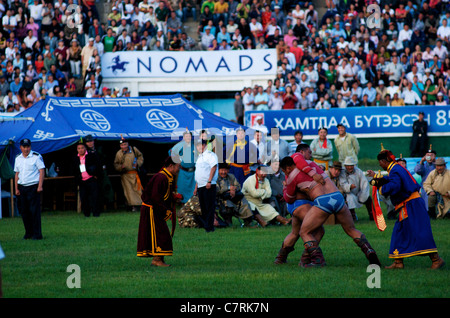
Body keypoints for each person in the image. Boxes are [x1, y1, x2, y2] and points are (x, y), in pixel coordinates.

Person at [280, 145, 381, 268]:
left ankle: (318, 260)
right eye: (309, 152)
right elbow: (302, 162)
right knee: (351, 229)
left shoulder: (292, 175)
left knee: (304, 231)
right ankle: (370, 252)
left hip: (322, 201)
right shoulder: (312, 164)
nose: (311, 154)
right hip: (338, 197)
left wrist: (285, 186)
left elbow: (288, 199)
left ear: (288, 167)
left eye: (284, 171)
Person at [367, 149, 445, 270]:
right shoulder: (396, 168)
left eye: (380, 162)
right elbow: (391, 179)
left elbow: (395, 185)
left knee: (420, 232)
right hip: (409, 205)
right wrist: (378, 178)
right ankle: (398, 262)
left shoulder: (395, 170)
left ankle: (436, 260)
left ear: (384, 161)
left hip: (412, 205)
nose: (379, 165)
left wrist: (381, 189)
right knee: (399, 232)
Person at [137, 156, 181, 267]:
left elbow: (162, 195)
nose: (179, 169)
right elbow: (156, 197)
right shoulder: (161, 177)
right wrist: (165, 211)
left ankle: (157, 259)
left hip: (155, 209)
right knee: (160, 234)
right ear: (171, 166)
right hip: (152, 209)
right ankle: (157, 260)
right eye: (178, 166)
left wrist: (173, 197)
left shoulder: (167, 177)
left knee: (161, 234)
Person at [14, 138, 45, 240]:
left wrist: (40, 186)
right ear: (20, 147)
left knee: (34, 211)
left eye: (27, 147)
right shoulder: (18, 158)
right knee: (24, 211)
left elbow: (41, 171)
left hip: (33, 186)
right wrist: (16, 188)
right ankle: (28, 233)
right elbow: (16, 174)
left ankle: (37, 234)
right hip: (22, 187)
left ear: (30, 147)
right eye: (24, 147)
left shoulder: (36, 156)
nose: (26, 149)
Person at [194, 139, 219, 232]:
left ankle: (209, 227)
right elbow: (199, 173)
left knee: (209, 207)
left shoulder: (210, 155)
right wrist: (196, 187)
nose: (199, 147)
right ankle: (206, 226)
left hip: (208, 184)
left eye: (201, 145)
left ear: (205, 145)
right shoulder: (199, 157)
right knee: (203, 207)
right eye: (198, 146)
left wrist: (209, 181)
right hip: (200, 185)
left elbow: (214, 167)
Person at [72, 140, 102, 217]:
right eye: (79, 148)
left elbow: (98, 166)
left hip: (91, 179)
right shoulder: (76, 158)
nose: (81, 150)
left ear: (85, 148)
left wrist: (96, 175)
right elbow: (74, 170)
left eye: (82, 148)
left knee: (94, 197)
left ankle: (96, 213)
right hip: (82, 180)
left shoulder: (91, 155)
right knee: (84, 198)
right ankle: (86, 213)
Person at [113, 137, 144, 211]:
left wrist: (138, 163)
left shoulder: (134, 149)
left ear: (128, 144)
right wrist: (120, 167)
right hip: (125, 175)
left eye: (125, 144)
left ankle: (140, 205)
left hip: (135, 174)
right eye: (122, 145)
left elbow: (140, 157)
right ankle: (133, 206)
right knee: (129, 191)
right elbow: (116, 164)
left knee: (138, 190)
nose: (124, 146)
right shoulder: (119, 153)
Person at [84, 135, 114, 210]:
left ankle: (107, 205)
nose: (90, 143)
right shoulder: (85, 152)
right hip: (91, 174)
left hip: (101, 174)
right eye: (88, 142)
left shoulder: (99, 150)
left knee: (105, 189)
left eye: (91, 141)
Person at [170, 130, 196, 204]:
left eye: (189, 136)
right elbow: (171, 152)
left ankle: (191, 202)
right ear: (184, 137)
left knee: (193, 189)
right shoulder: (179, 145)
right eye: (186, 136)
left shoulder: (195, 146)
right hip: (183, 171)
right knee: (182, 188)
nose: (188, 138)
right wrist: (177, 161)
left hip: (193, 172)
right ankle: (181, 201)